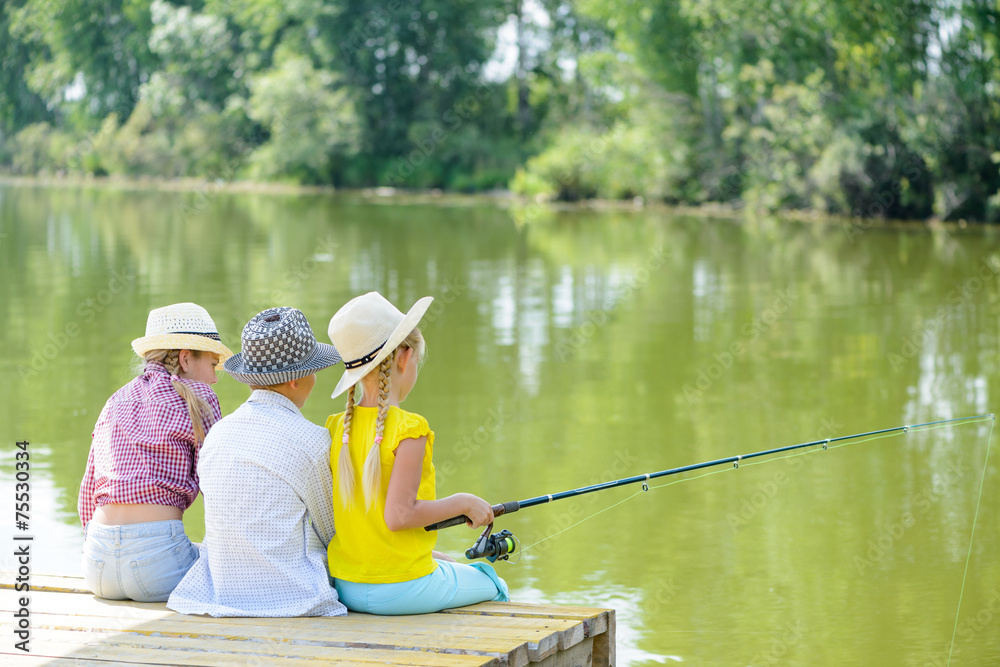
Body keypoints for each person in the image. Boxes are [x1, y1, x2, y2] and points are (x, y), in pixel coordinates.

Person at [325, 291, 509, 615]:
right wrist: (464, 502)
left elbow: (371, 526)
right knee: (493, 583)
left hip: (347, 587)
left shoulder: (337, 428)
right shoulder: (409, 428)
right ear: (404, 357)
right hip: (402, 590)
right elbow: (399, 516)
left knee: (447, 564)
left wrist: (430, 555)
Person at [167, 307, 347, 617]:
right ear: (295, 381)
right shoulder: (312, 440)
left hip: (223, 593)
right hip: (295, 597)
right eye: (313, 370)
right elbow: (331, 530)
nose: (315, 378)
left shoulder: (218, 435)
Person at [78, 302, 233, 602]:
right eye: (213, 365)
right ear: (186, 358)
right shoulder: (199, 397)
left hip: (96, 567)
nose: (215, 378)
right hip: (156, 567)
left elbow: (88, 490)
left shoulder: (116, 399)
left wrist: (101, 550)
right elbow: (220, 488)